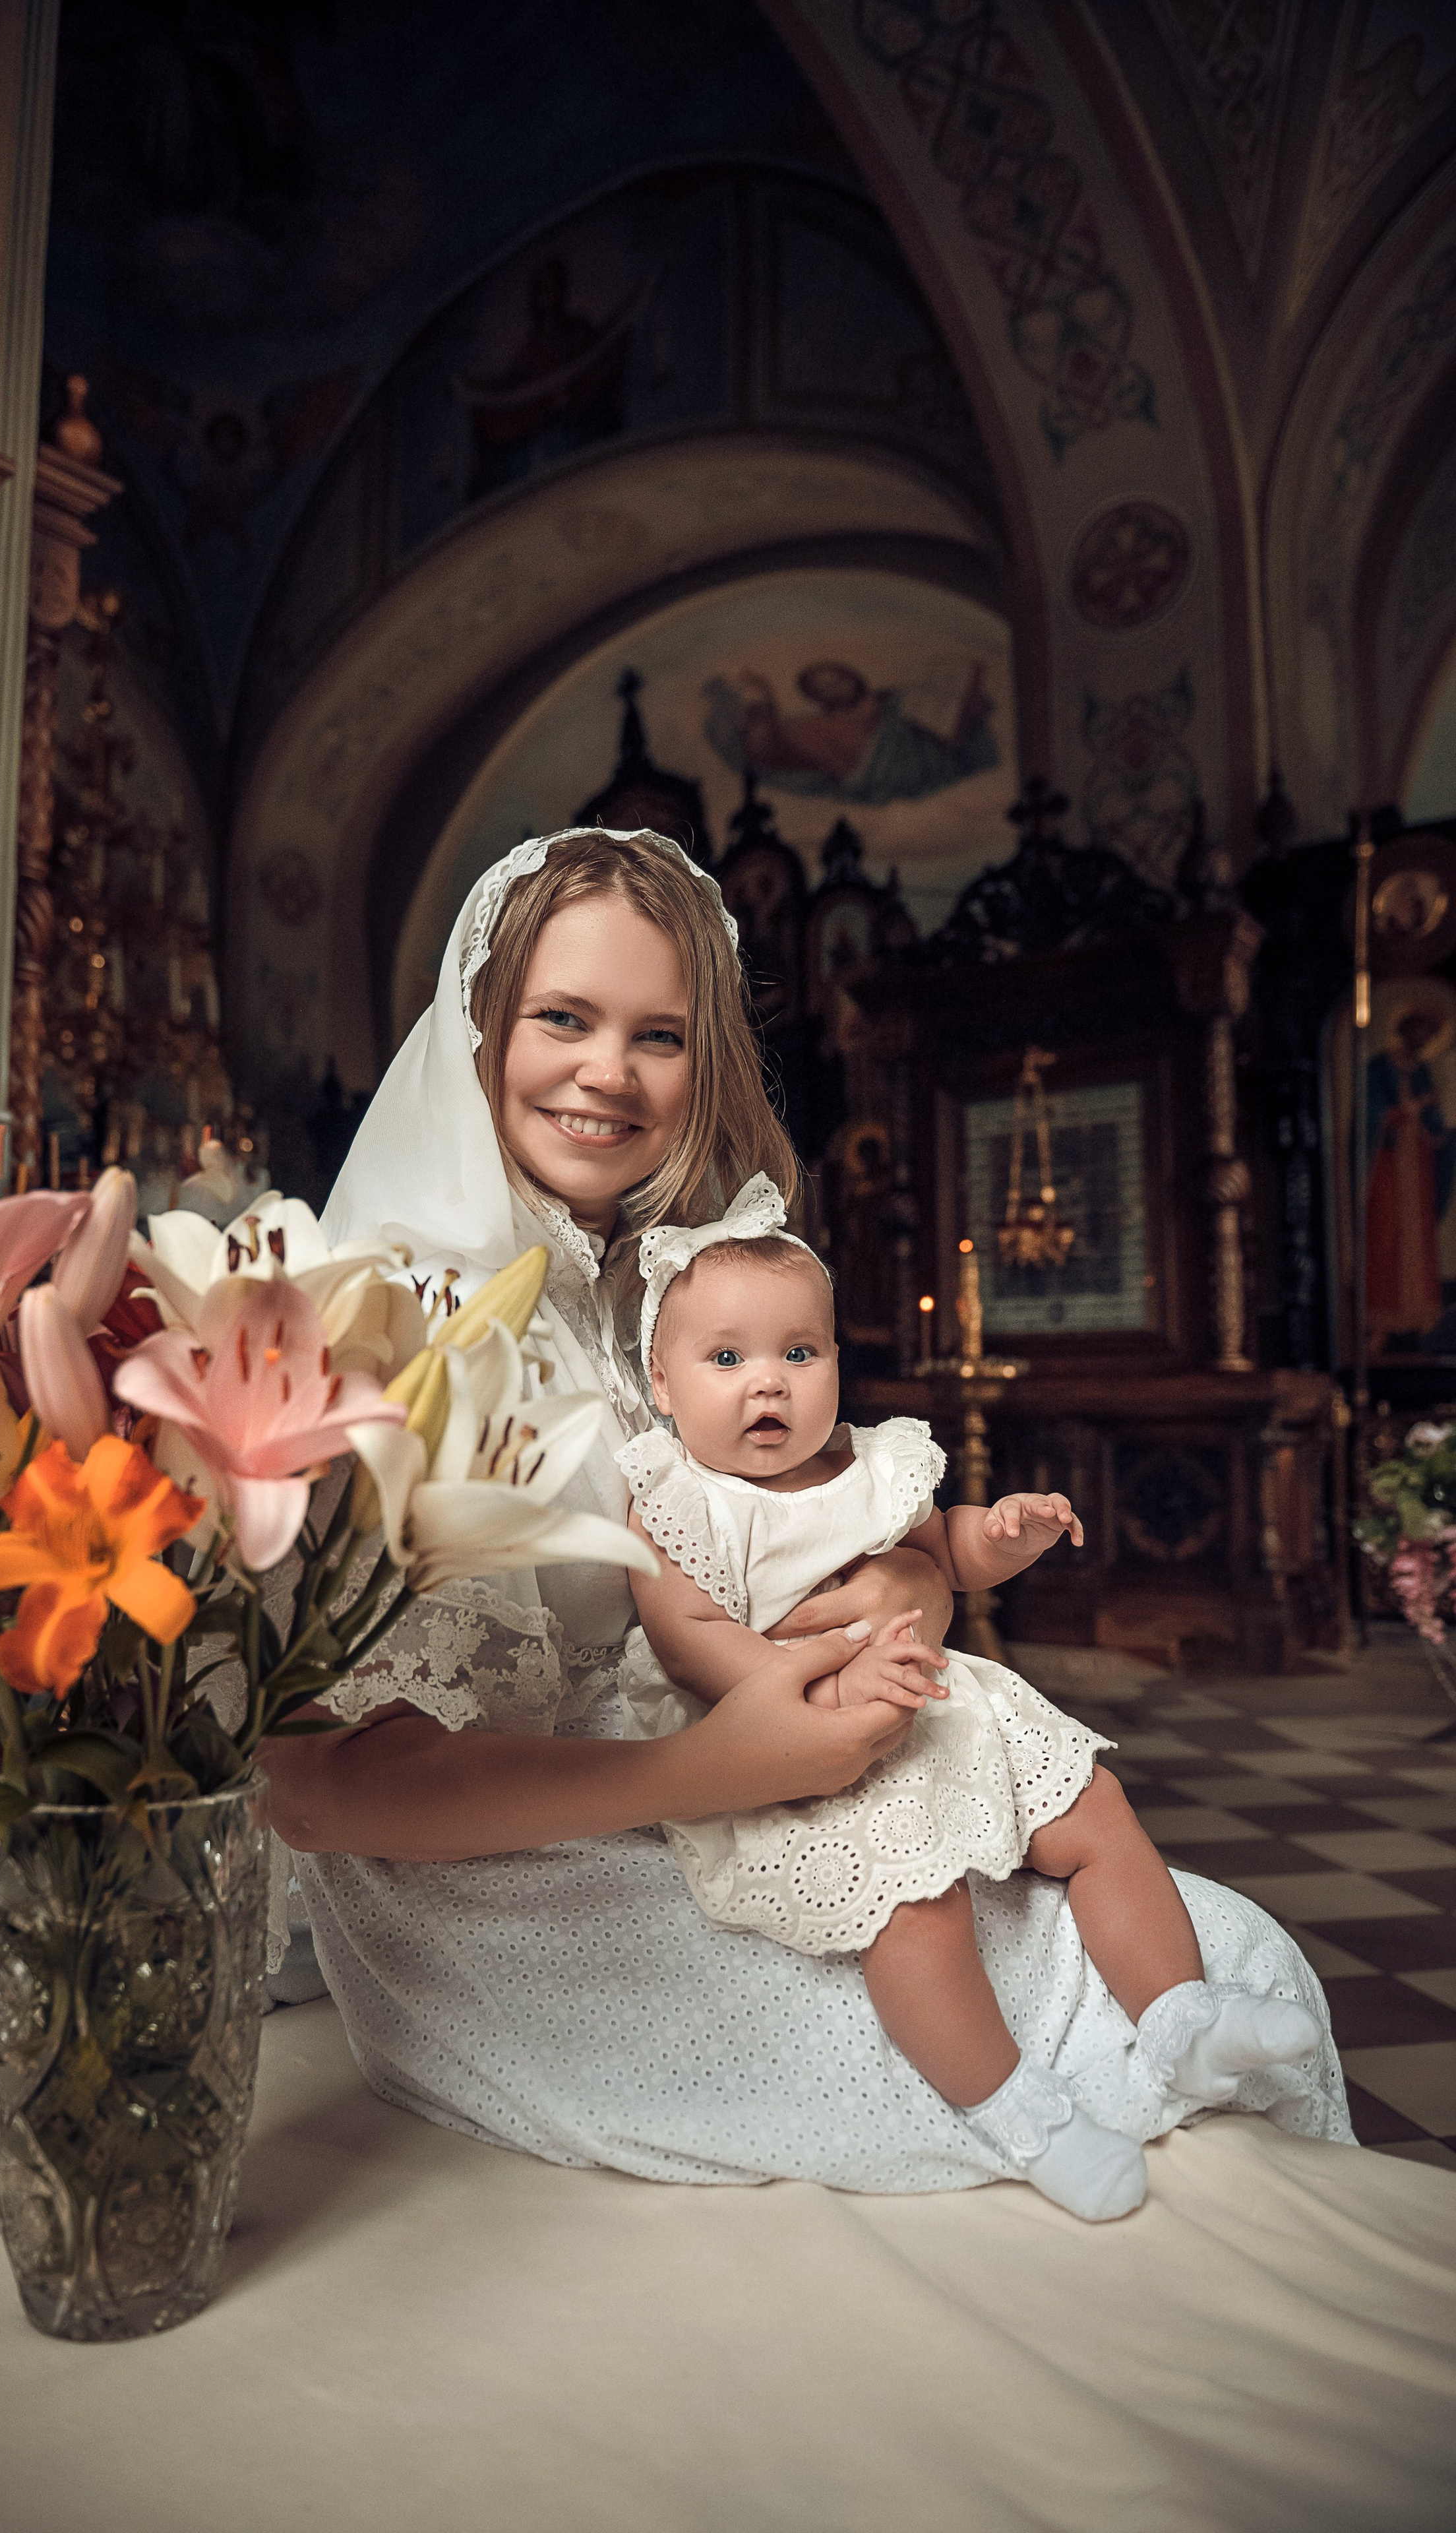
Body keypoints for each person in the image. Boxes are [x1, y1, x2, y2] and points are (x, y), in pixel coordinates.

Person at [264, 825, 1349, 2194]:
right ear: (476, 1029)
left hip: (725, 1791)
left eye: (657, 1034)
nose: (607, 1071)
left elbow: (809, 1532)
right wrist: (719, 1768)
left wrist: (909, 1592)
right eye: (561, 1018)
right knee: (1169, 1971)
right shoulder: (382, 1320)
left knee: (1199, 1942)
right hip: (499, 1893)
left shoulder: (677, 1295)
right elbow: (310, 1791)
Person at [615, 1196, 1321, 2220]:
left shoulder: (867, 1466)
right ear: (662, 1387)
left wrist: (1002, 1533)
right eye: (726, 1360)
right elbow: (688, 1637)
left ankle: (1182, 2019)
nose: (768, 1379)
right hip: (792, 1746)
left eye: (799, 1353)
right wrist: (809, 1682)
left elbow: (942, 1552)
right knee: (917, 1904)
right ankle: (1019, 2114)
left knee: (1097, 1811)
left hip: (940, 1705)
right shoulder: (676, 1497)